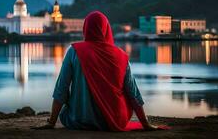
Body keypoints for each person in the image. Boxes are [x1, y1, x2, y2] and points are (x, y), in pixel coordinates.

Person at [38, 11, 168, 131]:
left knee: (65, 111)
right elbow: (133, 93)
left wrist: (52, 122)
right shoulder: (121, 56)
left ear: (85, 29)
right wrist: (145, 124)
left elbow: (62, 88)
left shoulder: (74, 51)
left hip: (79, 120)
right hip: (114, 121)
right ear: (106, 29)